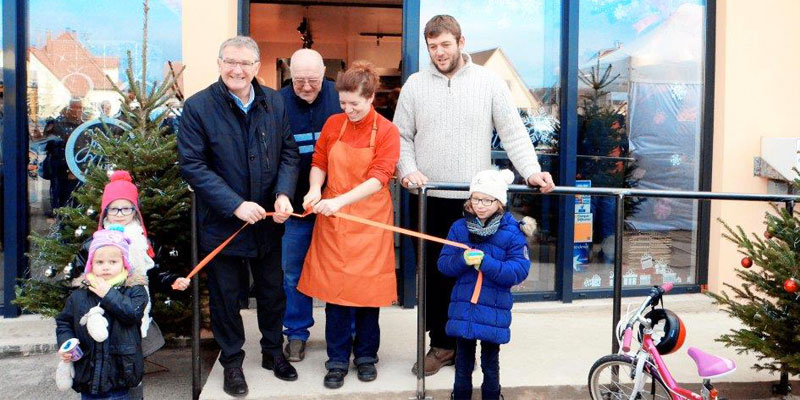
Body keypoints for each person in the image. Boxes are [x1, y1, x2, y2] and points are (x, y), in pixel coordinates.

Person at [392, 14, 555, 376]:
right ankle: (442, 345)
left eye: (445, 45)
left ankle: (469, 347)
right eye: (432, 47)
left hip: (476, 206)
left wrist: (531, 171)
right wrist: (408, 171)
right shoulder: (415, 86)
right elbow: (400, 137)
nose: (439, 52)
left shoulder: (489, 82)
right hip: (429, 199)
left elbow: (512, 132)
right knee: (435, 276)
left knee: (476, 276)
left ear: (460, 42)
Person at [178, 36, 300, 397]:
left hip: (267, 226)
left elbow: (289, 153)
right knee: (226, 298)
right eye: (230, 62)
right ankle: (232, 362)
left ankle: (273, 352)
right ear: (219, 64)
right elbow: (193, 166)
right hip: (223, 225)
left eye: (245, 63)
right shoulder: (199, 107)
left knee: (273, 293)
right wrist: (234, 204)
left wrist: (282, 194)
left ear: (257, 67)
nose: (237, 70)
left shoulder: (274, 102)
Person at [297, 60, 400, 389]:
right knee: (336, 294)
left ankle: (367, 356)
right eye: (343, 103)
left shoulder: (387, 130)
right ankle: (337, 359)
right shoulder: (333, 124)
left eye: (354, 104)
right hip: (334, 221)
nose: (348, 109)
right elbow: (319, 162)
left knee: (367, 294)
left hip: (369, 221)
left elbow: (379, 177)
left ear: (371, 98)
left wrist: (340, 201)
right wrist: (315, 189)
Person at [69, 171, 190, 400]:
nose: (120, 214)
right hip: (100, 314)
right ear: (105, 211)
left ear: (135, 210)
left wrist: (172, 280)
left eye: (127, 208)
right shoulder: (93, 243)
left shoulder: (145, 242)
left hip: (133, 313)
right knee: (102, 362)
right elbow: (78, 274)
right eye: (114, 209)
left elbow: (155, 272)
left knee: (131, 363)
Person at [438, 169, 530, 400]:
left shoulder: (512, 232)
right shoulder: (459, 228)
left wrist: (486, 263)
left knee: (490, 362)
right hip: (464, 307)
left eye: (487, 200)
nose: (480, 205)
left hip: (494, 307)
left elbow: (518, 271)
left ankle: (492, 395)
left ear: (499, 202)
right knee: (463, 362)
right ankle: (460, 396)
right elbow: (443, 264)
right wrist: (461, 260)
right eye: (476, 199)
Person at [278, 48, 340, 362]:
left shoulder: (340, 97)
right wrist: (282, 195)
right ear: (289, 73)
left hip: (336, 206)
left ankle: (341, 335)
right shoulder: (277, 102)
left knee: (337, 272)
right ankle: (297, 333)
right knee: (293, 273)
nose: (305, 87)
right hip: (296, 207)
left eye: (312, 80)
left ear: (324, 71)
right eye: (298, 80)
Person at [55, 227, 149, 399]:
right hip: (88, 375)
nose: (106, 267)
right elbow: (64, 322)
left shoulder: (135, 290)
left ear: (124, 264)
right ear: (91, 265)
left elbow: (131, 314)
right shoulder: (79, 294)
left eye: (113, 262)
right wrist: (66, 342)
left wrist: (108, 293)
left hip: (120, 374)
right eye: (99, 262)